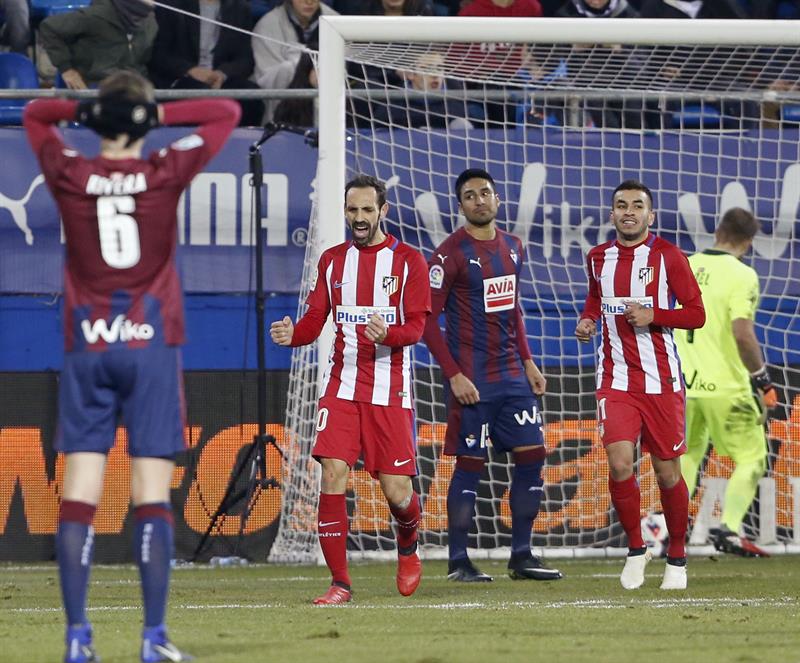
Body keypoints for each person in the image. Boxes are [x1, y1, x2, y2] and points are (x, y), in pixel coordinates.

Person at [23, 71, 240, 662]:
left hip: (88, 344)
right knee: (150, 494)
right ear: (143, 120)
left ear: (97, 121)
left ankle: (76, 640)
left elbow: (36, 113)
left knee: (80, 494)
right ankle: (152, 639)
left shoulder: (70, 171)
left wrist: (95, 112)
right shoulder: (163, 172)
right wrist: (150, 117)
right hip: (150, 344)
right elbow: (224, 111)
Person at [270, 175, 431, 605]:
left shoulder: (409, 262)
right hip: (340, 388)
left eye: (366, 210)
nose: (358, 218)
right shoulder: (332, 261)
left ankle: (409, 539)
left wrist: (388, 335)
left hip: (389, 393)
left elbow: (417, 325)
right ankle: (340, 583)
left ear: (384, 211)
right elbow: (314, 320)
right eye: (352, 210)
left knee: (397, 492)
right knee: (332, 474)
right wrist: (293, 333)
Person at [422, 168, 562, 583]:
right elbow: (428, 322)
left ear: (497, 199)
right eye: (470, 195)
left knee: (533, 455)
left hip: (513, 377)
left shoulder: (515, 247)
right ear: (460, 205)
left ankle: (521, 554)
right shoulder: (448, 256)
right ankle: (458, 561)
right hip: (472, 382)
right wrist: (453, 376)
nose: (479, 200)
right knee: (470, 463)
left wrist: (529, 361)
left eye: (485, 193)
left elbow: (513, 311)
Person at [574, 180, 705, 591]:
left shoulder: (669, 257)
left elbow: (697, 314)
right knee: (618, 462)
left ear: (651, 215)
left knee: (668, 475)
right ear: (612, 214)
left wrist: (656, 315)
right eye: (620, 205)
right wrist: (588, 320)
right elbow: (595, 299)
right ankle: (635, 549)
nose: (628, 212)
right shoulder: (598, 258)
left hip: (662, 382)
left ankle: (678, 557)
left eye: (637, 206)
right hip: (615, 380)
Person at [675, 208, 777, 558]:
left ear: (717, 231)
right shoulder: (742, 275)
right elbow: (742, 333)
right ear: (748, 243)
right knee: (752, 456)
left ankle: (669, 531)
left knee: (687, 455)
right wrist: (763, 381)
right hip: (726, 388)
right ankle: (729, 528)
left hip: (684, 384)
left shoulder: (686, 264)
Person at [148, 0, 264, 126]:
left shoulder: (240, 7)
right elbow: (159, 55)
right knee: (201, 94)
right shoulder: (172, 5)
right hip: (181, 77)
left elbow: (245, 59)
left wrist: (222, 73)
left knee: (252, 95)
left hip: (220, 79)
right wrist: (190, 70)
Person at [251, 0, 338, 123]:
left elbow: (343, 66)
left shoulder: (336, 21)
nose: (309, 2)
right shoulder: (267, 24)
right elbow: (266, 79)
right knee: (286, 68)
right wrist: (302, 68)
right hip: (281, 106)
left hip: (325, 106)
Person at [39, 0, 157, 90]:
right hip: (96, 86)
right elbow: (49, 27)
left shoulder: (151, 22)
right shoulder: (96, 16)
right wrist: (67, 69)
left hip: (135, 88)